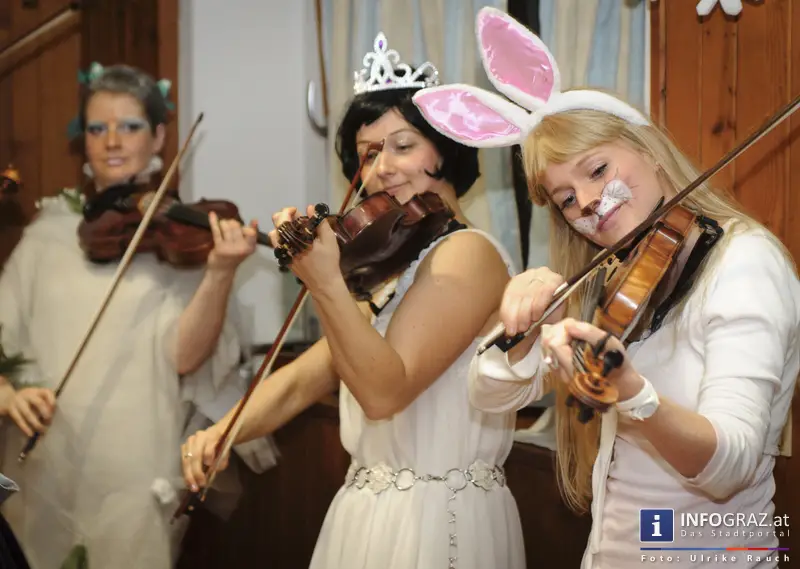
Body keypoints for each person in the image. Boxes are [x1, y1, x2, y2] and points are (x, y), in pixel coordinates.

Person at [413, 7, 800, 569]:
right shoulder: (613, 276)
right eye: (567, 198)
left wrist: (636, 396)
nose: (588, 204)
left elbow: (731, 467)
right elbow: (489, 392)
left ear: (646, 148)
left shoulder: (743, 262)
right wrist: (520, 324)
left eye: (596, 171)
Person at [180, 32, 526, 569]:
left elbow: (384, 393)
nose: (382, 167)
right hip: (370, 515)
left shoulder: (468, 254)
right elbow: (306, 377)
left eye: (402, 145)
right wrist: (224, 431)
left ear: (447, 149)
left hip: (435, 520)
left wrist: (325, 283)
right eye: (367, 155)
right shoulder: (393, 266)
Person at [0, 62, 277, 569]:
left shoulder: (178, 238)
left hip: (135, 458)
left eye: (129, 126)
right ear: (81, 142)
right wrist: (8, 394)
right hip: (45, 460)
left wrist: (218, 273)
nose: (112, 141)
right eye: (97, 128)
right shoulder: (47, 236)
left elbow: (185, 358)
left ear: (159, 137)